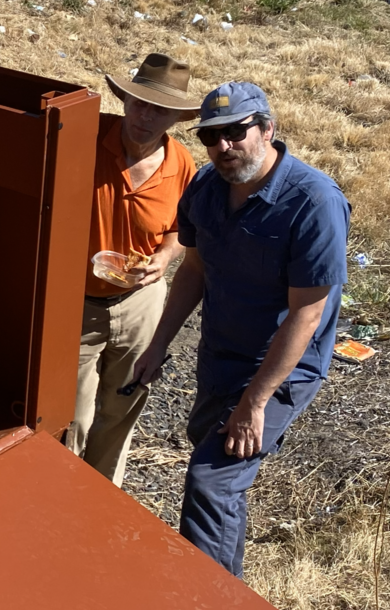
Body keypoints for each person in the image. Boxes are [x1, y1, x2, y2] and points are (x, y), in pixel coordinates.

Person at [131, 82, 350, 577]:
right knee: (210, 459)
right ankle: (225, 591)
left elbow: (306, 314)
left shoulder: (313, 203)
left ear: (267, 130)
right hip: (221, 353)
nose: (223, 147)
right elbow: (194, 270)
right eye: (212, 137)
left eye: (236, 132)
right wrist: (157, 345)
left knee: (212, 481)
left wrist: (255, 403)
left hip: (280, 369)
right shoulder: (207, 189)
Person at [69, 53, 198, 486]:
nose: (145, 116)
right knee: (72, 413)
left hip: (141, 301)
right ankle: (57, 489)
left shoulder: (181, 164)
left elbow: (183, 227)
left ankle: (100, 497)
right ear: (124, 100)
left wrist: (163, 257)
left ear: (176, 118)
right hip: (75, 300)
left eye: (159, 109)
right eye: (139, 103)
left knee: (123, 405)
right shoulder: (86, 137)